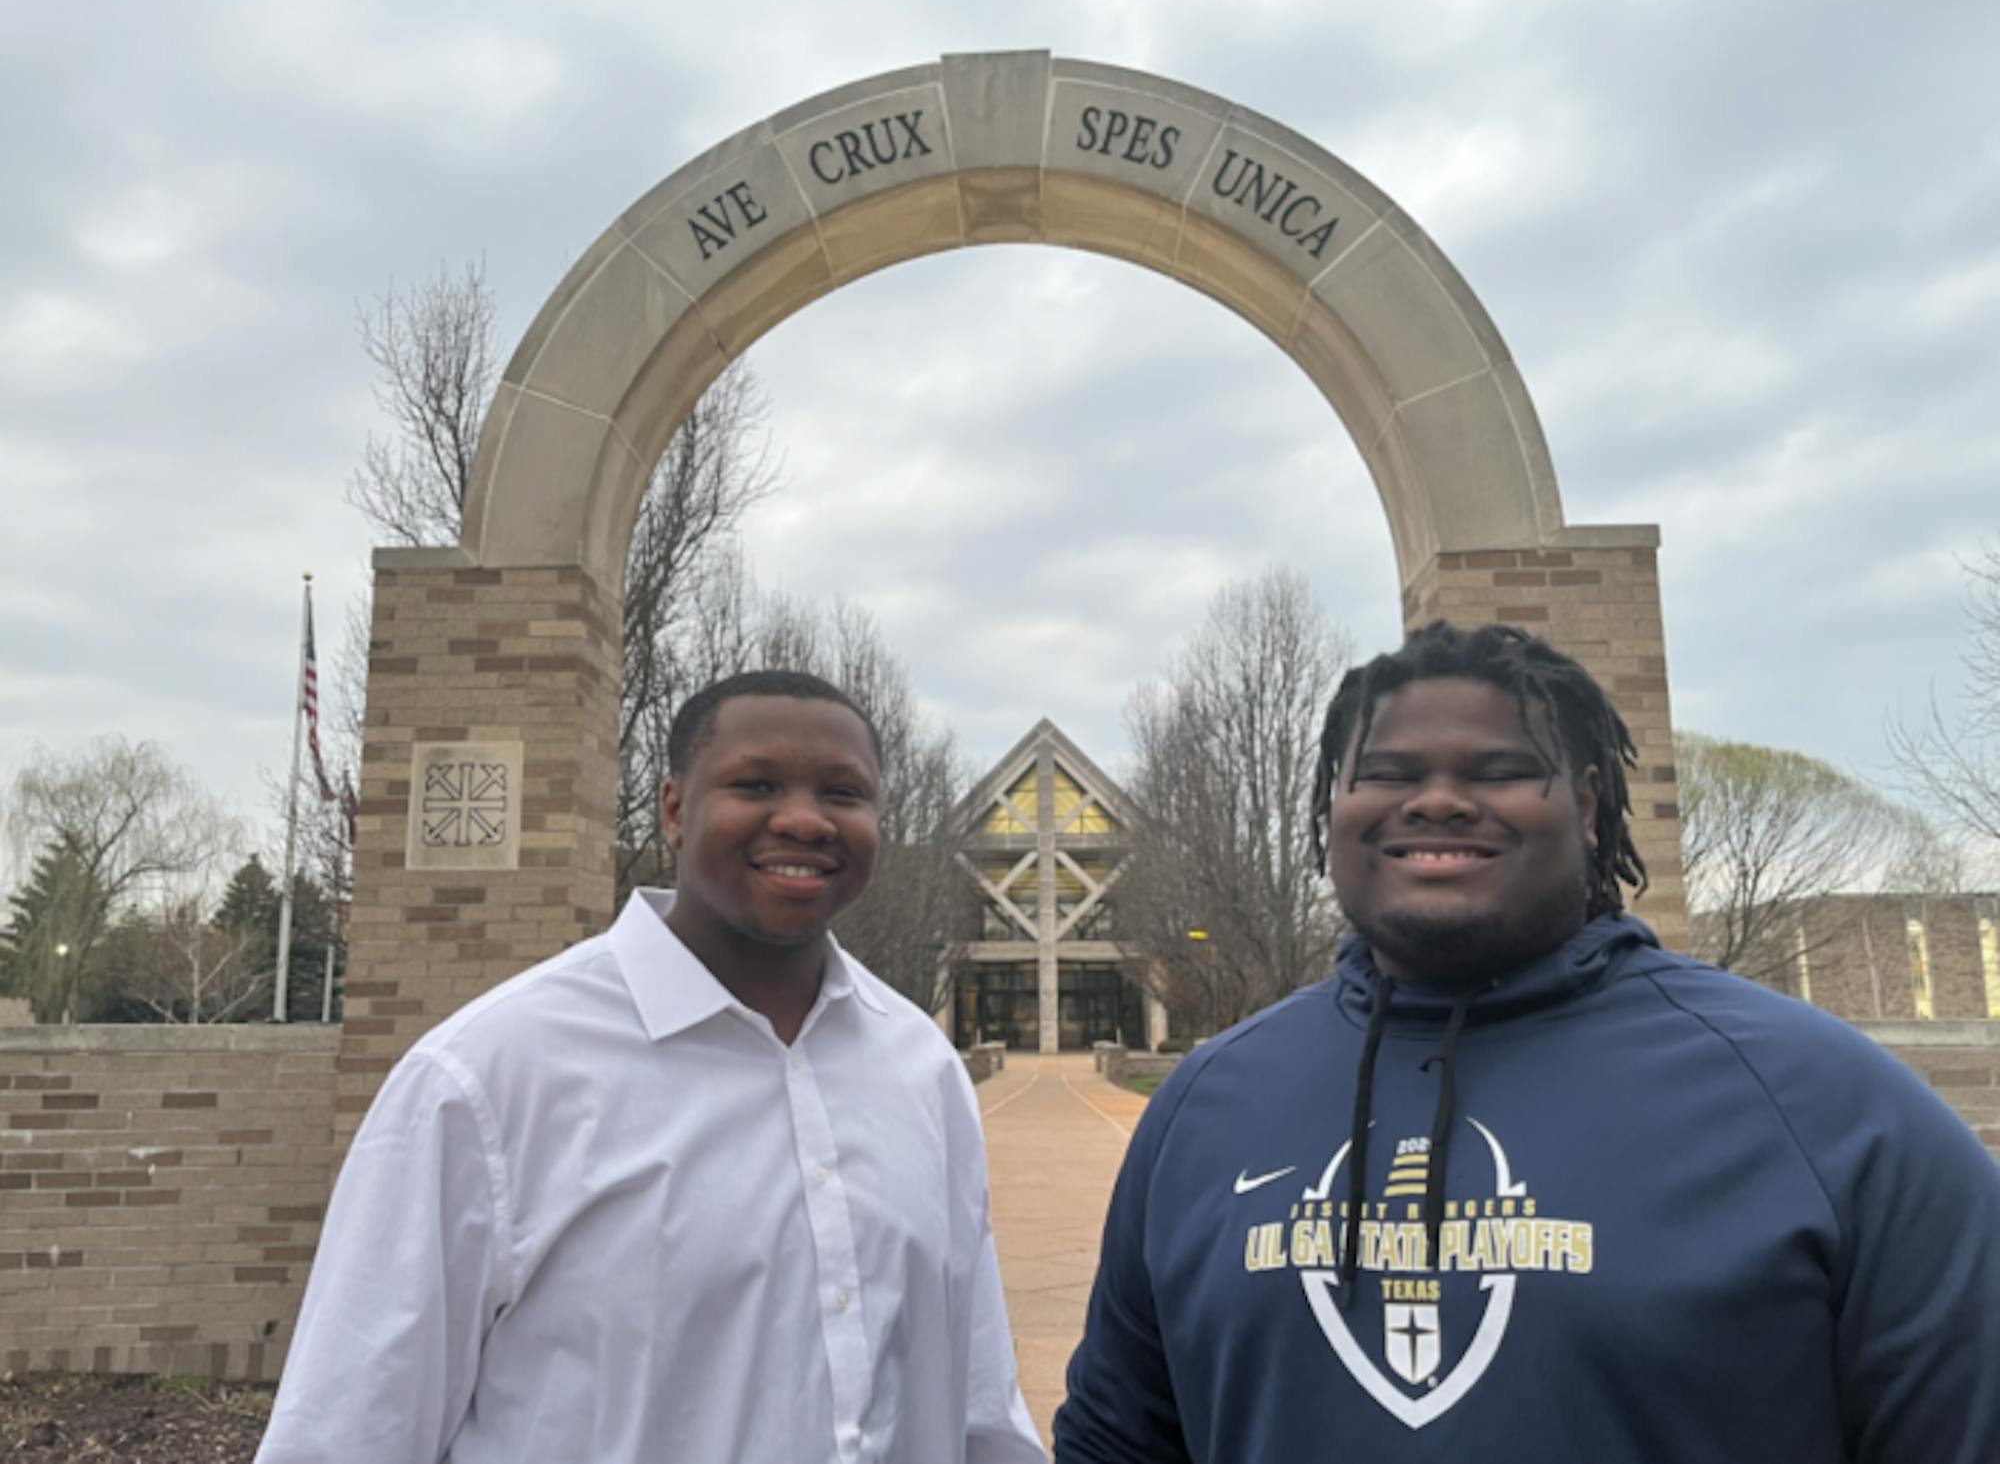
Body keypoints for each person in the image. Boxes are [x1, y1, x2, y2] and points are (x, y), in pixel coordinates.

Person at [1054, 622, 2000, 1463]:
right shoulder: (1205, 1105)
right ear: (1330, 808)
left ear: (1587, 806)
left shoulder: (1828, 1110)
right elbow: (1119, 1435)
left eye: (1498, 771)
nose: (1437, 801)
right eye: (1389, 774)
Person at [257, 669, 1044, 1464]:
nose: (805, 820)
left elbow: (978, 1404)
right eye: (757, 784)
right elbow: (344, 1436)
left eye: (843, 793)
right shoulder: (486, 1080)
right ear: (674, 809)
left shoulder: (921, 1069)